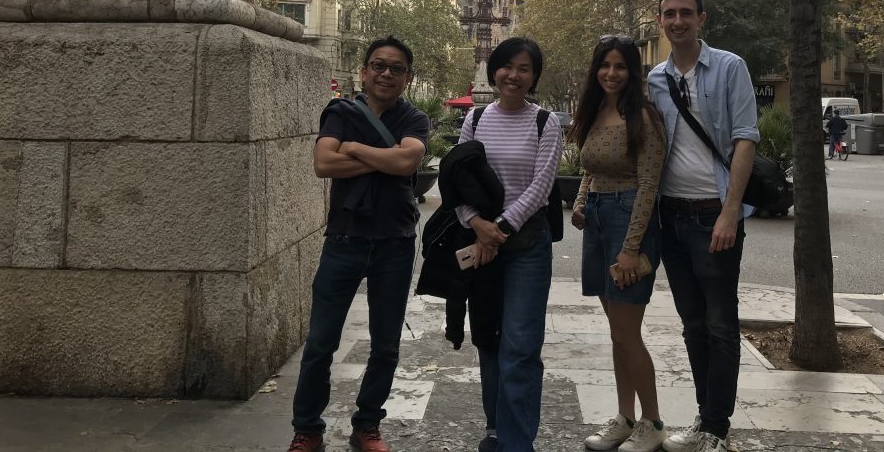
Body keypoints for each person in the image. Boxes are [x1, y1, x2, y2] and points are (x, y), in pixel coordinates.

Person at [287, 36, 430, 452]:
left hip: (395, 243)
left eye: (396, 68)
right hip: (345, 240)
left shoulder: (414, 118)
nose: (387, 74)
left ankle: (367, 425)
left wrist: (351, 147)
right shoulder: (340, 111)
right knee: (320, 343)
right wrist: (381, 156)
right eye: (379, 66)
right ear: (364, 72)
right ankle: (307, 429)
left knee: (385, 345)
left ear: (407, 78)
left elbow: (407, 162)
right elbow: (322, 164)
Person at [647, 0, 759, 452]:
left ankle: (717, 426)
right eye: (669, 14)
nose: (678, 21)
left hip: (713, 213)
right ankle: (703, 418)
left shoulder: (730, 67)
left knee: (719, 322)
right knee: (691, 322)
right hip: (670, 215)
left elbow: (745, 139)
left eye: (686, 14)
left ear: (701, 19)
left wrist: (730, 212)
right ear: (661, 21)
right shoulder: (655, 78)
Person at [456, 37, 562, 452]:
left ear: (534, 77)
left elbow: (541, 185)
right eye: (506, 66)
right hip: (482, 243)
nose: (513, 75)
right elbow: (458, 179)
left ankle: (517, 443)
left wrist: (498, 227)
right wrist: (476, 223)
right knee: (488, 338)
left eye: (524, 69)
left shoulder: (545, 122)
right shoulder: (476, 119)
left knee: (520, 345)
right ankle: (495, 429)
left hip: (526, 247)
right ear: (494, 70)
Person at [569, 35, 670, 452]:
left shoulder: (643, 118)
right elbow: (590, 169)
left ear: (634, 72)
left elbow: (649, 184)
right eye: (605, 66)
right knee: (617, 333)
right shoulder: (594, 112)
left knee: (628, 334)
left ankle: (653, 421)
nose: (611, 73)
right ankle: (625, 417)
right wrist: (579, 203)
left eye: (621, 66)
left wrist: (631, 248)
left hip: (630, 221)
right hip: (596, 218)